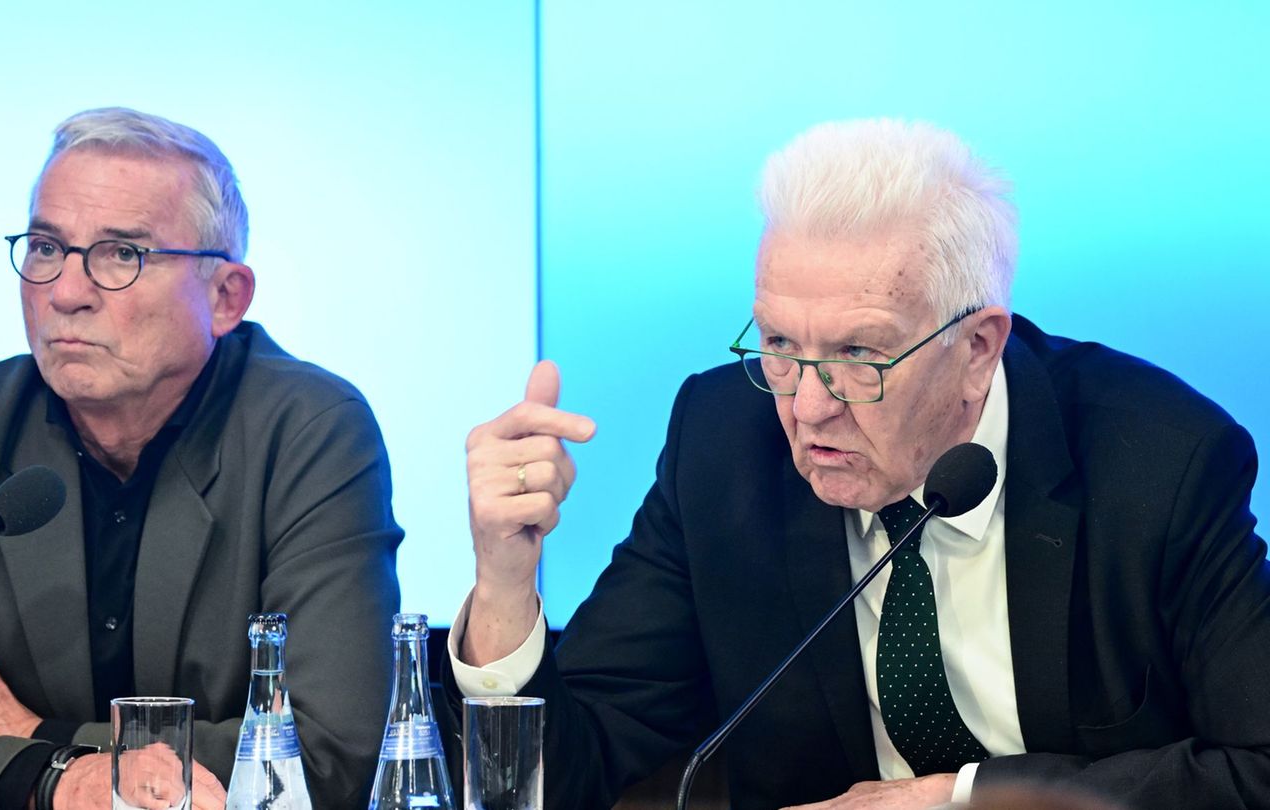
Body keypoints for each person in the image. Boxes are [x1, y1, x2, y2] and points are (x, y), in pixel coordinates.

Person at [449, 119, 1270, 809]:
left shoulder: (1160, 463)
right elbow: (573, 766)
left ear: (977, 347)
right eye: (777, 345)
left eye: (859, 355)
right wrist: (505, 583)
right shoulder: (722, 447)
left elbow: (1259, 765)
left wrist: (956, 800)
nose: (806, 407)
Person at [0, 108, 402, 810]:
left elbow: (333, 750)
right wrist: (55, 779)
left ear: (226, 298)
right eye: (45, 247)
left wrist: (35, 738)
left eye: (121, 254)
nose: (66, 293)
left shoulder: (310, 429)